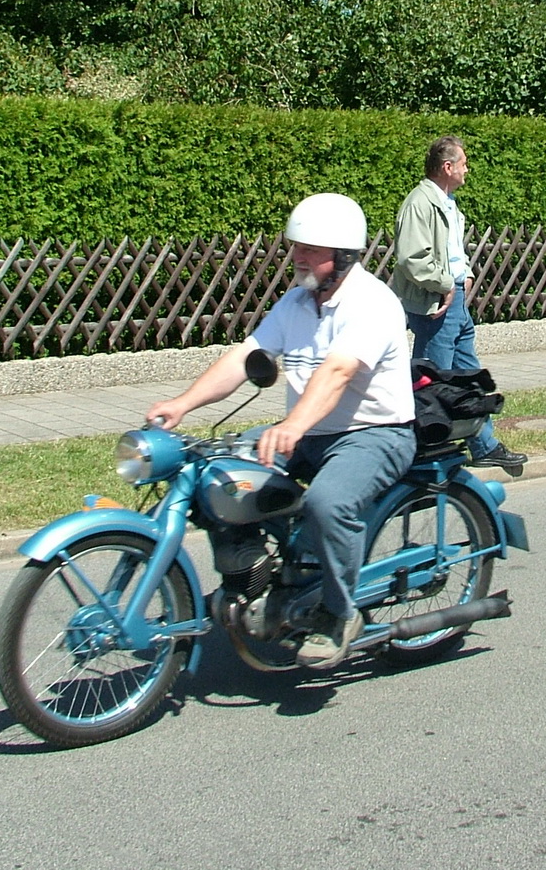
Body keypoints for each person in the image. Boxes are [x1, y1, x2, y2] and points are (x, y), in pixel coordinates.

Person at [146, 193, 416, 671]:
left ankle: (338, 614)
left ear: (345, 255)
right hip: (309, 433)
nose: (298, 257)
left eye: (310, 249)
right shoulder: (297, 302)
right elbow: (245, 358)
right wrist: (182, 404)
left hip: (375, 433)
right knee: (220, 474)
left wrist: (292, 424)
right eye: (296, 247)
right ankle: (262, 578)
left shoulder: (372, 303)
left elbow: (336, 373)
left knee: (327, 503)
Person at [390, 136, 527, 473]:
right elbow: (411, 258)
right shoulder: (420, 203)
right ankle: (421, 450)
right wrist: (444, 284)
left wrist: (464, 273)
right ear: (447, 167)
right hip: (437, 302)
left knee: (466, 376)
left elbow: (448, 248)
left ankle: (484, 446)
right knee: (432, 382)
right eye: (463, 163)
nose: (468, 169)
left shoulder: (446, 202)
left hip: (455, 300)